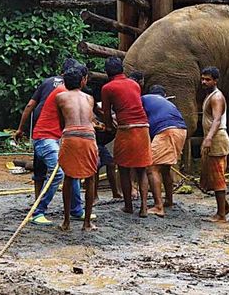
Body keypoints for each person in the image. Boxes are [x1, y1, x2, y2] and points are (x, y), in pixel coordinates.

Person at [14, 58, 80, 199]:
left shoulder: (47, 82)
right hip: (54, 129)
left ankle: (39, 198)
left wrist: (20, 128)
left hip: (40, 125)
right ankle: (43, 206)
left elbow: (30, 105)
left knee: (40, 165)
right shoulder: (71, 86)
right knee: (63, 169)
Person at [101, 57, 152, 217]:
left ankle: (128, 205)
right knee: (142, 169)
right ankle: (144, 207)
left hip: (126, 129)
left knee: (123, 168)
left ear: (107, 72)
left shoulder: (108, 88)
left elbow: (107, 113)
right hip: (143, 127)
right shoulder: (134, 84)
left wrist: (108, 127)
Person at [57, 66, 99, 231]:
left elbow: (62, 121)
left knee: (68, 177)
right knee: (90, 178)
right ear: (83, 81)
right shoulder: (89, 98)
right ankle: (87, 222)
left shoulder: (60, 97)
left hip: (71, 135)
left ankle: (66, 222)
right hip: (89, 135)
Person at [142, 85, 187, 217]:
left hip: (166, 130)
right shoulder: (167, 103)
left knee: (151, 168)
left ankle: (158, 206)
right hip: (181, 130)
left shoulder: (144, 99)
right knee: (166, 168)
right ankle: (169, 200)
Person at [199, 66, 229, 223]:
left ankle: (221, 215)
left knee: (218, 176)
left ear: (215, 81)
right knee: (212, 175)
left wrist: (209, 138)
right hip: (213, 137)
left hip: (217, 137)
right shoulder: (210, 95)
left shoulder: (217, 97)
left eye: (207, 79)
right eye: (203, 79)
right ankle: (224, 206)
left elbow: (217, 120)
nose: (204, 82)